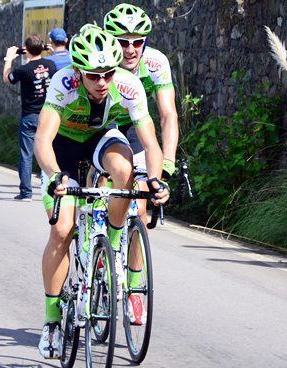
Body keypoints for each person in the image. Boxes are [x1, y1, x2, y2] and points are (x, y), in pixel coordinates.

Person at [33, 24, 169, 358]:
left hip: (100, 140)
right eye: (94, 76)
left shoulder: (128, 85)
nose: (102, 82)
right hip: (63, 150)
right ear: (78, 71)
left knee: (124, 171)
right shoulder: (63, 83)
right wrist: (53, 175)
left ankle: (114, 235)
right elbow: (42, 139)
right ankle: (52, 320)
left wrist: (155, 179)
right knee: (62, 230)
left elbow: (150, 141)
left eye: (108, 73)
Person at [104, 4, 180, 325]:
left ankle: (135, 288)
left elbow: (168, 115)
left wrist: (167, 165)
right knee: (106, 185)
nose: (131, 48)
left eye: (137, 41)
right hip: (105, 125)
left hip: (139, 127)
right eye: (123, 41)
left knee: (140, 206)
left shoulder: (155, 62)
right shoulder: (101, 66)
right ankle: (104, 246)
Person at [3, 35, 57, 201]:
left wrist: (9, 59)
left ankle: (26, 193)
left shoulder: (24, 70)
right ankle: (53, 190)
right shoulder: (51, 64)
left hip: (30, 116)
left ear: (26, 50)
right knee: (51, 152)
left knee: (26, 155)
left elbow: (7, 78)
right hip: (49, 115)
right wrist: (48, 50)